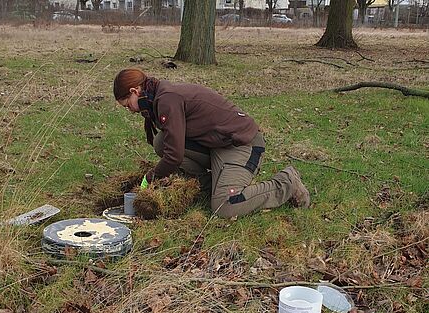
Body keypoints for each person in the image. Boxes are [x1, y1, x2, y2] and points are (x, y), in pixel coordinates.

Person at [113, 68, 310, 219]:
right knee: (162, 143)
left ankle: (286, 182)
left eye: (127, 104)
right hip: (215, 145)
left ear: (135, 91)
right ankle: (208, 187)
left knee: (225, 206)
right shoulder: (158, 96)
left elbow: (174, 157)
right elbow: (171, 148)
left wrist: (149, 179)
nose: (130, 110)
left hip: (241, 144)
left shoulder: (167, 99)